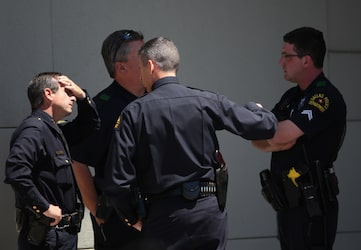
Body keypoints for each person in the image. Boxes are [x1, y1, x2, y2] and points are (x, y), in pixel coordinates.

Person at [101, 36, 278, 250]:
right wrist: (255, 107)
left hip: (163, 217)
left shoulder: (134, 112)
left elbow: (118, 180)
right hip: (208, 214)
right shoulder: (206, 101)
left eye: (140, 68)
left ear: (150, 65)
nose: (140, 75)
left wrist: (132, 218)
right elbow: (265, 126)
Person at [252, 27, 346, 250]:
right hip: (288, 204)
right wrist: (274, 139)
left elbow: (279, 134)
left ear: (306, 60)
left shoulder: (323, 96)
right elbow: (257, 136)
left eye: (286, 56)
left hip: (313, 205)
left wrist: (275, 137)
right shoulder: (291, 96)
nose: (280, 62)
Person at [4, 72, 100, 250]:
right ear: (48, 94)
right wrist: (44, 207)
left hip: (64, 235)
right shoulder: (34, 130)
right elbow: (16, 172)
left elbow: (90, 125)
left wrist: (82, 96)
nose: (72, 97)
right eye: (67, 92)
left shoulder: (54, 130)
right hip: (47, 238)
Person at [71, 30, 144, 250]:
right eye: (142, 54)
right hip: (119, 219)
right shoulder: (102, 108)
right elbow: (78, 159)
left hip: (156, 215)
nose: (151, 58)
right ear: (121, 67)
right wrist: (97, 211)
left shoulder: (158, 97)